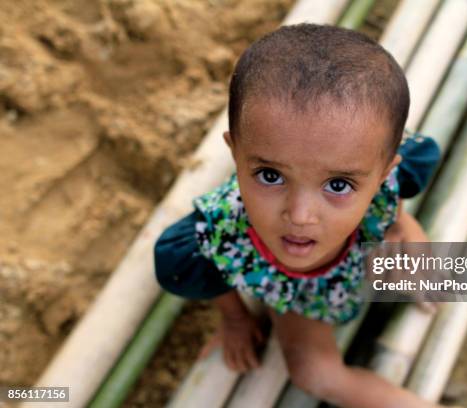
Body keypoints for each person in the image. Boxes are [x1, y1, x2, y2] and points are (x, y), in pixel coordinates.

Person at [154, 23, 441, 407]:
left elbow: (396, 187)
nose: (300, 215)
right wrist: (237, 318)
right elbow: (199, 265)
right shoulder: (224, 229)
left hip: (357, 251)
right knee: (314, 373)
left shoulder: (379, 175)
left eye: (337, 185)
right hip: (298, 293)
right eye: (270, 176)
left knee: (422, 264)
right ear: (235, 151)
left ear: (384, 172)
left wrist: (403, 224)